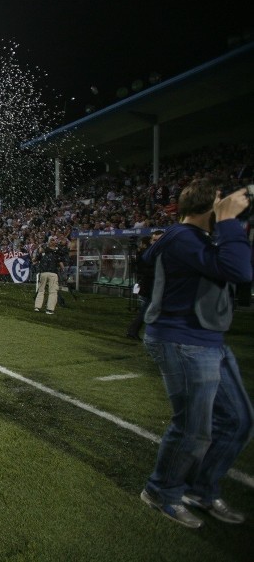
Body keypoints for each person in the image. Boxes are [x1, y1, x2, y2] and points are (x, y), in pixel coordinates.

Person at [139, 178, 253, 529]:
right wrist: (231, 222)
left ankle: (202, 488)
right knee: (193, 427)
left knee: (238, 420)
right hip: (182, 339)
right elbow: (239, 271)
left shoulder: (198, 239)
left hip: (207, 339)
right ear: (209, 207)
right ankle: (162, 491)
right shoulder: (181, 238)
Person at [125, 230, 164, 341]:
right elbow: (141, 269)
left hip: (155, 286)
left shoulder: (159, 252)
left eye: (159, 240)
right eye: (155, 240)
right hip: (150, 286)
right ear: (151, 241)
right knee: (147, 309)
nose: (156, 242)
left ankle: (134, 331)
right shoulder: (147, 253)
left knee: (148, 309)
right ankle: (135, 331)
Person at [32, 238, 64, 314]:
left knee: (41, 290)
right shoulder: (57, 252)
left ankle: (37, 307)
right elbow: (61, 265)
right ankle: (49, 309)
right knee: (53, 292)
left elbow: (34, 260)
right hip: (53, 273)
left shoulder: (43, 251)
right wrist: (63, 269)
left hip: (43, 273)